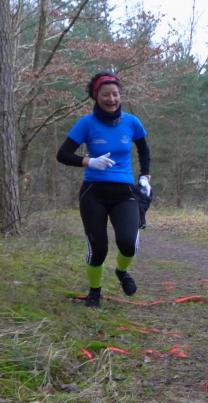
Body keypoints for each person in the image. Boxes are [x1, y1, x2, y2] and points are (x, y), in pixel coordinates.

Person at [56, 71, 153, 307]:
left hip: (125, 193)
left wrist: (145, 177)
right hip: (94, 193)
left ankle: (121, 271)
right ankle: (94, 292)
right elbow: (63, 154)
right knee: (98, 249)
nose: (111, 99)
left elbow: (144, 149)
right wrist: (89, 161)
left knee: (128, 243)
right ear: (96, 96)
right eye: (106, 95)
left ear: (120, 95)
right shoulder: (86, 123)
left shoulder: (132, 122)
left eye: (115, 94)